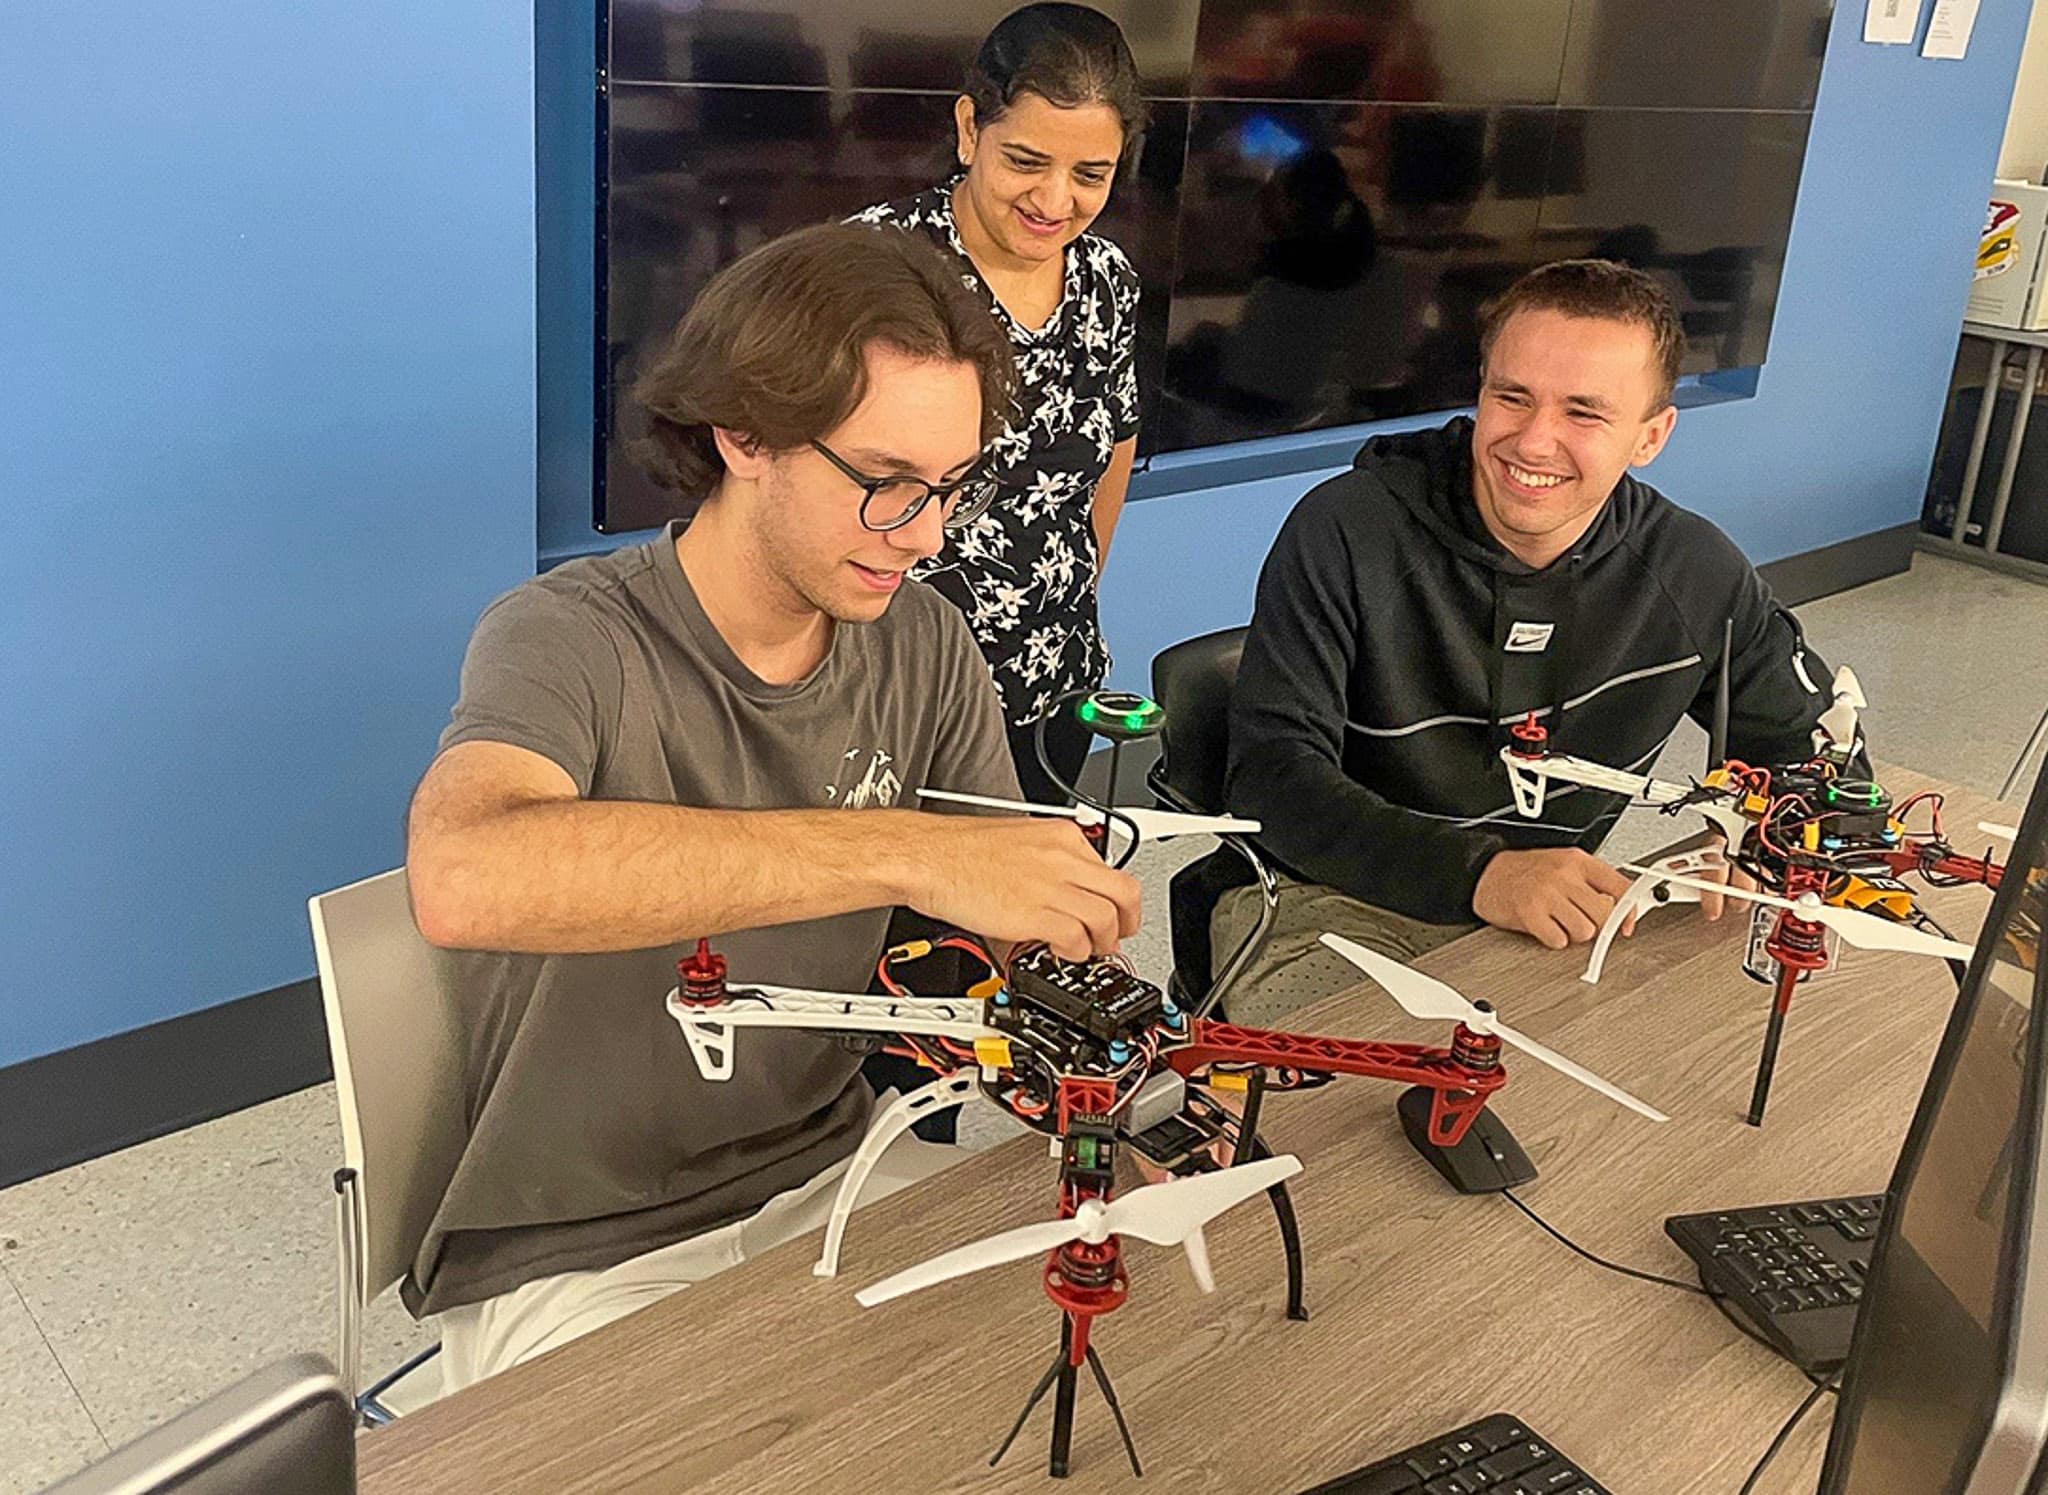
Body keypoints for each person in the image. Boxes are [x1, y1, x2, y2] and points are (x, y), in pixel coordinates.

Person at [402, 223, 1142, 1390]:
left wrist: (1104, 1014)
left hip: (830, 1169)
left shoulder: (922, 640)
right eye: (885, 483)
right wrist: (898, 850)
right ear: (742, 432)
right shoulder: (570, 635)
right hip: (576, 1245)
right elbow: (464, 874)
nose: (929, 534)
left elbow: (1007, 905)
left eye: (947, 487)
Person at [1209, 259, 1855, 1024]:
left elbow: (1822, 762)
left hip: (1539, 924)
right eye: (1511, 397)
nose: (1534, 441)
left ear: (1651, 436)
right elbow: (1271, 782)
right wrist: (1485, 874)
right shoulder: (1346, 531)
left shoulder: (1695, 569)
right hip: (1329, 900)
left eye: (1584, 413)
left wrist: (1767, 830)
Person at [851, 2, 1146, 805]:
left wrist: (1071, 587)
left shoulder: (1106, 279)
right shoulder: (877, 264)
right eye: (1025, 160)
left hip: (1054, 675)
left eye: (1091, 175)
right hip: (897, 691)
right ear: (969, 128)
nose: (1055, 200)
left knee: (1022, 913)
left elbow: (1113, 439)